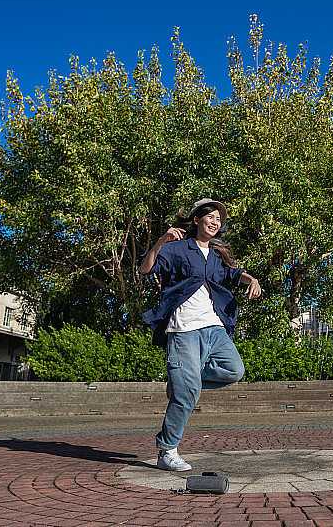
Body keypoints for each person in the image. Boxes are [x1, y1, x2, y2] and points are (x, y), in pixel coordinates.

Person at [139, 198, 261, 471]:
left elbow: (235, 273)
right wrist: (161, 241)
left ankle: (184, 380)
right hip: (184, 330)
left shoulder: (218, 255)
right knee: (186, 395)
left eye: (219, 219)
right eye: (211, 217)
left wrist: (251, 279)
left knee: (234, 370)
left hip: (214, 328)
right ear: (197, 220)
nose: (216, 222)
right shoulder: (178, 248)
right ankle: (167, 450)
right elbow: (145, 268)